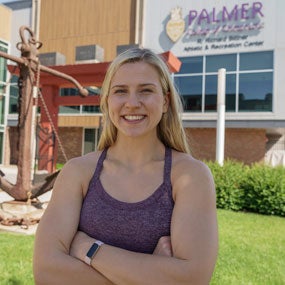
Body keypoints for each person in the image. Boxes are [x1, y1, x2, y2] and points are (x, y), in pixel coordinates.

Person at [33, 47, 218, 284]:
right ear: (107, 101)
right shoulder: (79, 172)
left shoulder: (189, 176)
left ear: (165, 101)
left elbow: (191, 279)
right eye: (120, 91)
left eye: (146, 91)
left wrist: (89, 249)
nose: (132, 103)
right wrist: (151, 275)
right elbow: (46, 272)